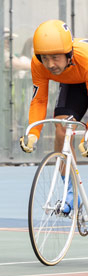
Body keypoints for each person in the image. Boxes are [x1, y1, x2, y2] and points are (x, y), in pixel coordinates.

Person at [20, 20, 87, 212]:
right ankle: (71, 193)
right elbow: (39, 100)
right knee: (62, 129)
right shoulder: (39, 64)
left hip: (86, 69)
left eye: (56, 57)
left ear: (69, 54)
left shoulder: (85, 58)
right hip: (74, 82)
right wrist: (33, 133)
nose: (50, 65)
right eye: (45, 58)